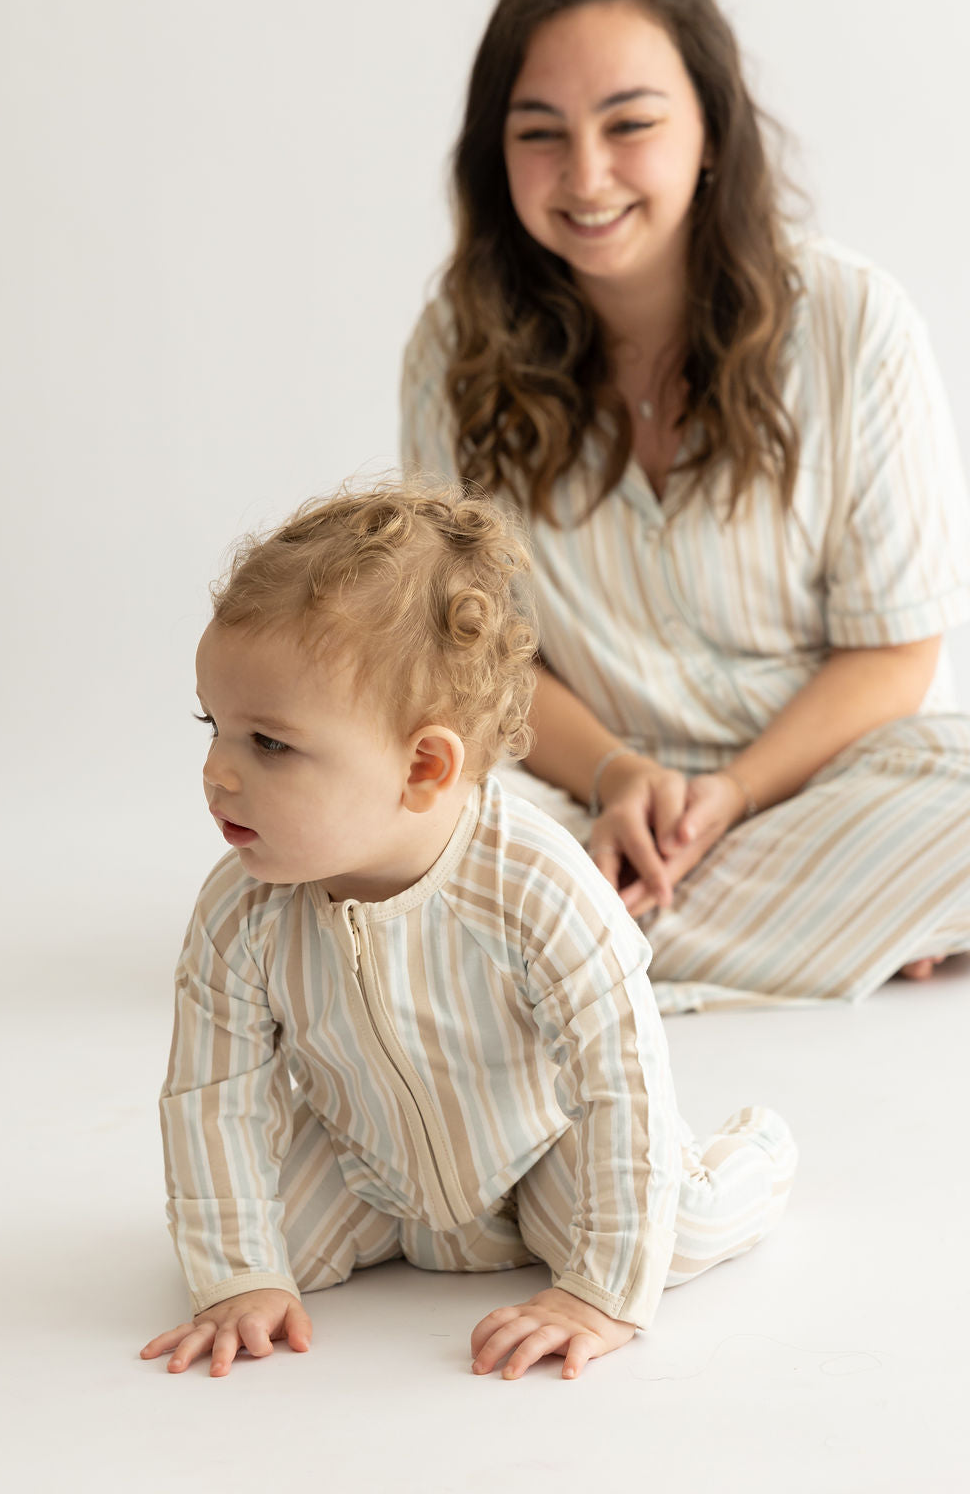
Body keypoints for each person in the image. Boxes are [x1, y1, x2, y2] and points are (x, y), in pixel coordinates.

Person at [400, 0, 970, 1013]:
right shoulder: (453, 352)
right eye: (539, 132)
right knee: (399, 808)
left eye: (630, 124)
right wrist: (619, 776)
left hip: (829, 781)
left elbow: (896, 653)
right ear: (494, 152)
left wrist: (731, 796)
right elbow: (475, 657)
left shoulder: (854, 324)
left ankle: (590, 940)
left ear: (711, 130)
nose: (585, 176)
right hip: (579, 792)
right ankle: (846, 929)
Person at [139, 484, 795, 1380]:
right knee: (233, 1238)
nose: (216, 772)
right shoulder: (240, 913)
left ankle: (753, 1158)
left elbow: (620, 1080)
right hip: (367, 1172)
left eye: (270, 744)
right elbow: (213, 1097)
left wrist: (598, 1292)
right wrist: (239, 1277)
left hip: (540, 1162)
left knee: (670, 1235)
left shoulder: (534, 885)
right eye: (213, 726)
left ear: (423, 766)